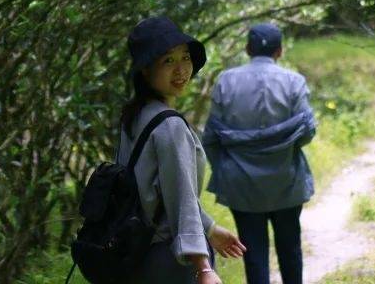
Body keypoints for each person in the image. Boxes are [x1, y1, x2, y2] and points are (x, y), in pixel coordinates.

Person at [118, 15, 247, 284]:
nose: (181, 70)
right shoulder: (169, 125)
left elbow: (165, 194)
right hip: (171, 261)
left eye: (185, 58)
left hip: (137, 256)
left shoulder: (135, 116)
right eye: (168, 61)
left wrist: (210, 228)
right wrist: (203, 267)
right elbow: (182, 199)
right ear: (145, 69)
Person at [201, 23, 316, 284]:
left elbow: (210, 137)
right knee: (290, 249)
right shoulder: (294, 82)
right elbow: (308, 132)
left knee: (252, 254)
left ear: (247, 49)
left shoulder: (226, 81)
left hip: (241, 185)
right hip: (287, 181)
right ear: (280, 51)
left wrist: (225, 170)